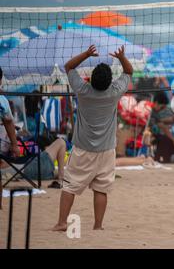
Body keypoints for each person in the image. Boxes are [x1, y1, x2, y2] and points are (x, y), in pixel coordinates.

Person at [52, 45, 133, 231]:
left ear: (90, 79)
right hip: (106, 150)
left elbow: (69, 67)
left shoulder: (83, 90)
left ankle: (62, 222)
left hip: (83, 149)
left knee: (70, 185)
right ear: (110, 81)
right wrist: (121, 57)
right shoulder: (114, 92)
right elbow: (129, 71)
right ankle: (98, 225)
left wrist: (87, 54)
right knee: (101, 189)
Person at [0, 67, 21, 209]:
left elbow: (8, 122)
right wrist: (14, 145)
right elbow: (8, 122)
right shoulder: (2, 100)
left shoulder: (2, 100)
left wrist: (14, 144)